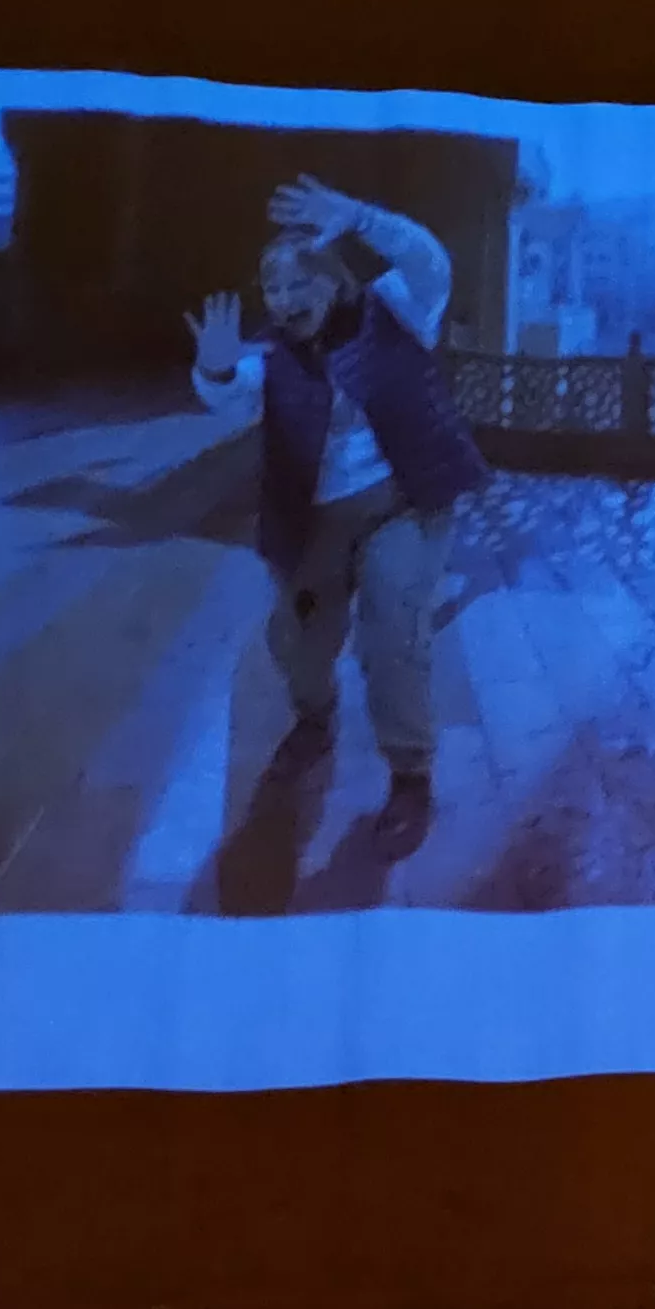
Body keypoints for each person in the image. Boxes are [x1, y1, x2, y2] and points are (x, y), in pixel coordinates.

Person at [185, 176, 487, 845]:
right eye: (274, 287)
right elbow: (231, 395)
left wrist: (360, 216)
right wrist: (214, 370)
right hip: (317, 520)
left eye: (301, 282)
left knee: (392, 633)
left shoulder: (395, 307)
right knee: (296, 642)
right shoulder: (272, 356)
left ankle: (410, 775)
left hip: (405, 504)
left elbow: (430, 262)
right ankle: (315, 718)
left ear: (334, 279)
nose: (286, 298)